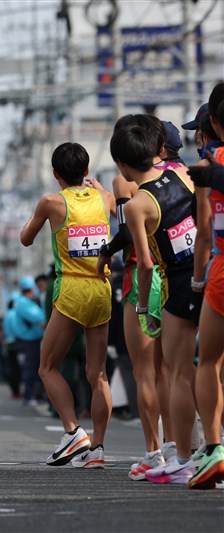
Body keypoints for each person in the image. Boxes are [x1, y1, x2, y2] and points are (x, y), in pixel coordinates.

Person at [111, 121, 200, 484]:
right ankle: (212, 446)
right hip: (207, 271)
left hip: (175, 284)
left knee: (177, 374)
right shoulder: (187, 175)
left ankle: (181, 456)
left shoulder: (135, 205)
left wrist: (146, 308)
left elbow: (145, 263)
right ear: (160, 150)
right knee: (210, 367)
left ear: (121, 163)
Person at [20, 142, 115, 468]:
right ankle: (98, 449)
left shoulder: (50, 202)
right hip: (102, 288)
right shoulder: (106, 199)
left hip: (72, 290)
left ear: (55, 174)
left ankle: (73, 430)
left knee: (47, 367)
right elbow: (118, 210)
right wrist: (101, 188)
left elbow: (25, 238)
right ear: (86, 171)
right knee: (97, 373)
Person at [97, 114, 177, 480]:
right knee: (173, 372)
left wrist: (106, 251)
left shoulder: (126, 183)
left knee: (145, 373)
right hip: (177, 277)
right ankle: (180, 450)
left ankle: (154, 452)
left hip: (141, 278)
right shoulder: (184, 177)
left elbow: (130, 236)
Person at [186, 83, 224, 489]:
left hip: (221, 272)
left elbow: (205, 236)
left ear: (213, 123)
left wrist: (197, 284)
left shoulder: (209, 164)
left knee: (209, 362)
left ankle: (214, 447)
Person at [12, 277, 45, 406]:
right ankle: (29, 395)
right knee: (31, 368)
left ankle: (32, 395)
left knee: (33, 368)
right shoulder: (24, 303)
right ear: (31, 289)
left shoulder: (25, 301)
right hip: (29, 340)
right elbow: (39, 317)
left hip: (31, 339)